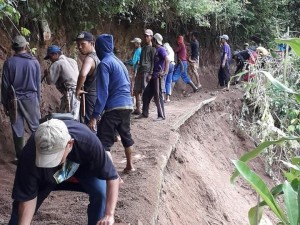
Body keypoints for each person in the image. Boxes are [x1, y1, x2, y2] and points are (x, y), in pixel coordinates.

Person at [8, 119, 119, 225]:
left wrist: (109, 214)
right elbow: (27, 198)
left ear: (69, 144)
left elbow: (112, 177)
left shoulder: (88, 141)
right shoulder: (30, 153)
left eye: (54, 157)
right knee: (19, 210)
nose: (51, 162)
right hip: (46, 176)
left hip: (83, 170)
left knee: (100, 192)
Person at [88, 34, 135, 172]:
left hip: (114, 107)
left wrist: (94, 116)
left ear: (100, 48)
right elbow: (129, 83)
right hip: (127, 105)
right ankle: (130, 166)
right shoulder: (119, 62)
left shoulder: (105, 64)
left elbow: (102, 93)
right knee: (126, 136)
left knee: (103, 142)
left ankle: (111, 174)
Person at [1, 35, 41, 160]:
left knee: (17, 129)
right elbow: (38, 84)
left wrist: (5, 104)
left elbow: (5, 86)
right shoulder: (34, 62)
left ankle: (21, 157)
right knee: (35, 127)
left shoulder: (9, 63)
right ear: (25, 46)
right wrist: (38, 101)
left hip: (14, 100)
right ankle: (39, 154)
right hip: (31, 98)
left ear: (14, 48)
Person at [137, 33, 170, 120]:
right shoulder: (156, 50)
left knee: (158, 96)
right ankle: (145, 113)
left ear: (155, 40)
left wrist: (165, 72)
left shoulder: (161, 49)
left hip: (158, 77)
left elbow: (167, 60)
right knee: (146, 94)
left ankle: (161, 115)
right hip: (154, 76)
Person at [44, 45, 80, 120]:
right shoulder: (72, 61)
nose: (50, 60)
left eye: (50, 57)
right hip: (78, 91)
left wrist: (47, 74)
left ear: (55, 54)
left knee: (69, 118)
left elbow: (50, 82)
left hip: (70, 93)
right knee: (76, 116)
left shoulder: (57, 63)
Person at [75, 31, 100, 124]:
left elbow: (83, 74)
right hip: (99, 94)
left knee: (89, 124)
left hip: (90, 96)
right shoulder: (99, 56)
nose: (79, 47)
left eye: (83, 44)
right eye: (78, 44)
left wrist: (77, 90)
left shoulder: (89, 58)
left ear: (92, 43)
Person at [132, 29, 156, 115]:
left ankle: (145, 110)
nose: (146, 37)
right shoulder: (143, 48)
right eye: (145, 36)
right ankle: (138, 108)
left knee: (145, 91)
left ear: (151, 37)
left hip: (146, 71)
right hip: (140, 70)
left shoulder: (153, 49)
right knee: (136, 90)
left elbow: (153, 62)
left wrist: (151, 73)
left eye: (147, 36)